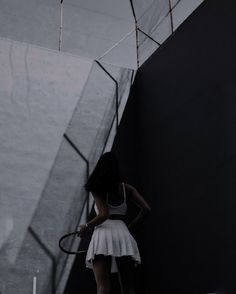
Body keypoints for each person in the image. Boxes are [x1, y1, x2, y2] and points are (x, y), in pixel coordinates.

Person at [78, 152, 151, 294]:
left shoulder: (97, 187)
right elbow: (147, 209)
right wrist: (130, 226)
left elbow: (104, 214)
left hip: (103, 235)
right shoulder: (127, 188)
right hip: (123, 233)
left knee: (103, 286)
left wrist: (86, 226)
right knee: (129, 287)